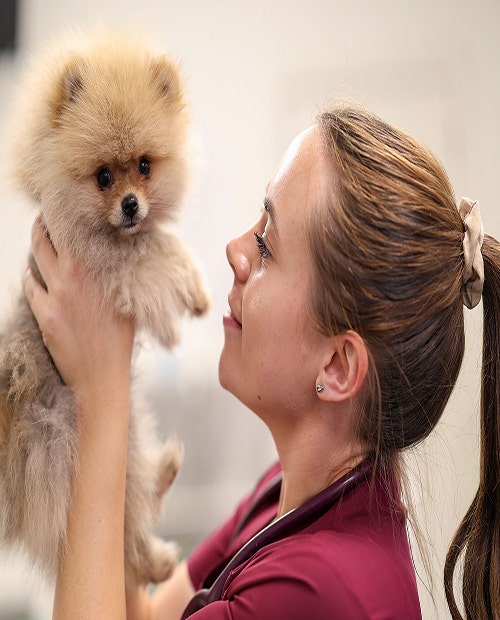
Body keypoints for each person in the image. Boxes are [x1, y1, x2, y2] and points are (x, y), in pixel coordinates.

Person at [24, 101, 499, 620]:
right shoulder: (285, 492)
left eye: (266, 247)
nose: (235, 250)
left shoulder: (314, 592)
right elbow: (146, 615)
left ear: (337, 367)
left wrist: (99, 396)